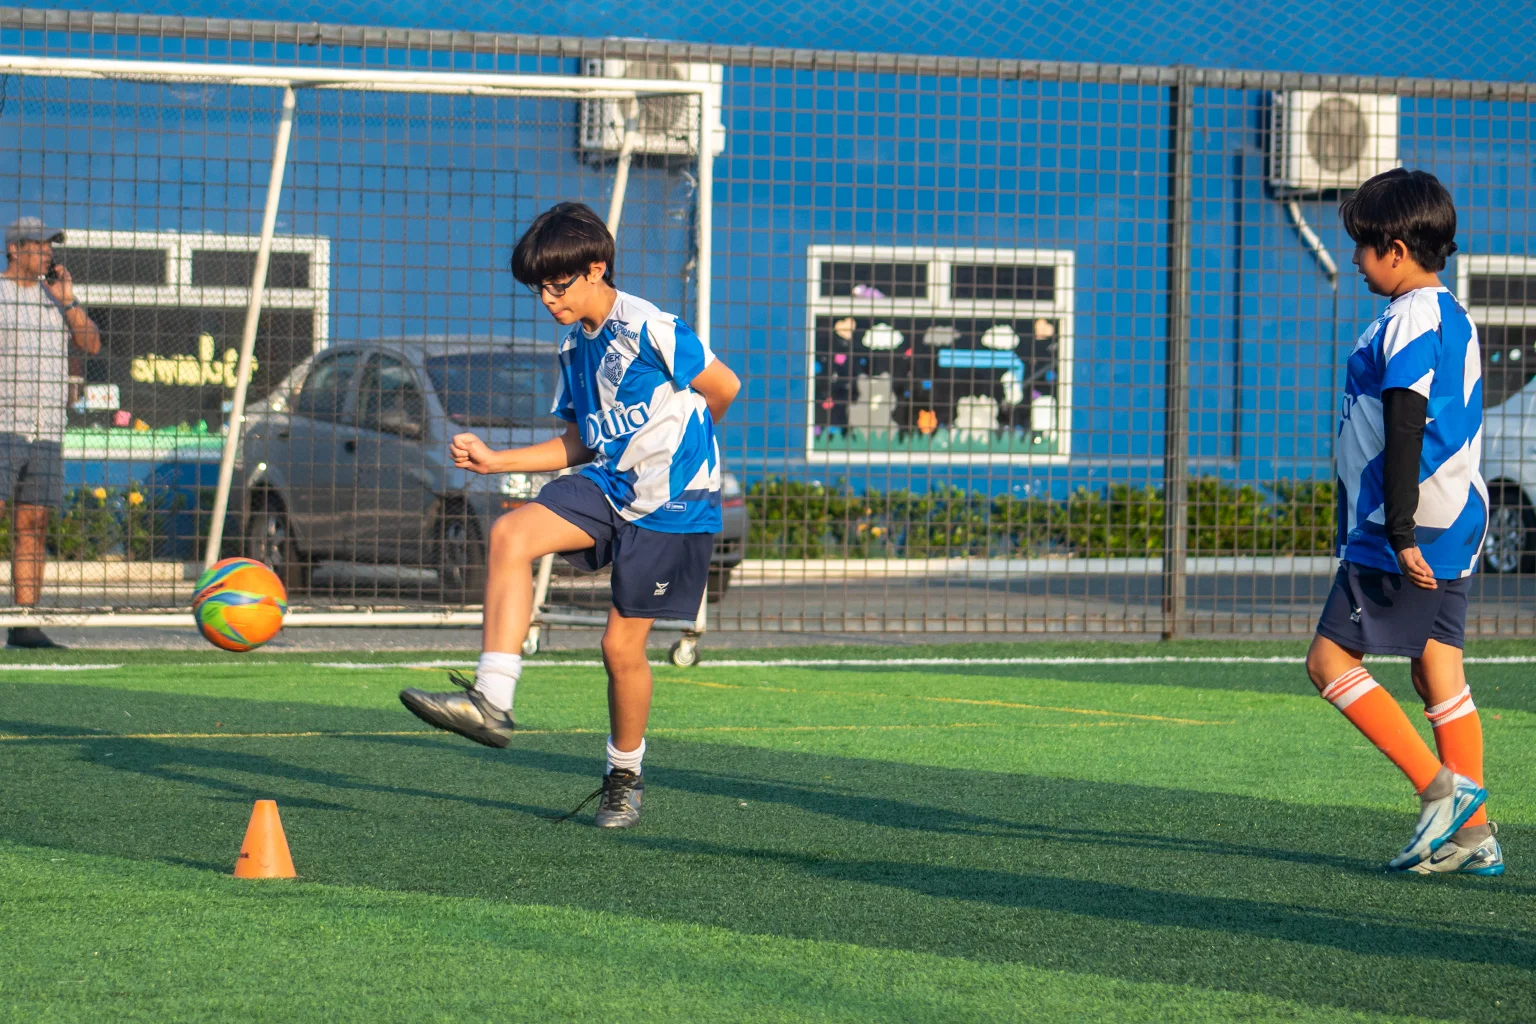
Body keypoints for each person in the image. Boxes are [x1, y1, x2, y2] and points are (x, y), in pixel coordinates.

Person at [400, 202, 741, 828]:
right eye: (539, 289)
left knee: (619, 649)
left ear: (596, 269)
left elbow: (724, 388)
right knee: (509, 533)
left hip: (674, 504)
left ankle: (624, 775)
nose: (548, 299)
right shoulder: (572, 348)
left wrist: (683, 447)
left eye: (557, 286)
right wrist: (496, 461)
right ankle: (491, 701)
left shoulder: (650, 326)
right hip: (608, 484)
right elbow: (581, 441)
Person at [1305, 169, 1501, 875]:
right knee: (1436, 665)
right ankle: (1474, 835)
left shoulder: (1413, 313)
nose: (1356, 260)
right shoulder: (1453, 313)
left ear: (1395, 247)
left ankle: (1441, 793)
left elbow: (1406, 415)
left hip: (1406, 519)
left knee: (1328, 662)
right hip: (1454, 515)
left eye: (1362, 247)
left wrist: (1398, 530)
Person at [1, 217, 102, 649]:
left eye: (50, 246)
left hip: (46, 431)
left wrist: (69, 300)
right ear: (14, 249)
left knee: (34, 524)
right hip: (3, 426)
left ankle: (25, 623)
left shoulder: (56, 298)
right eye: (40, 246)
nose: (48, 253)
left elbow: (92, 344)